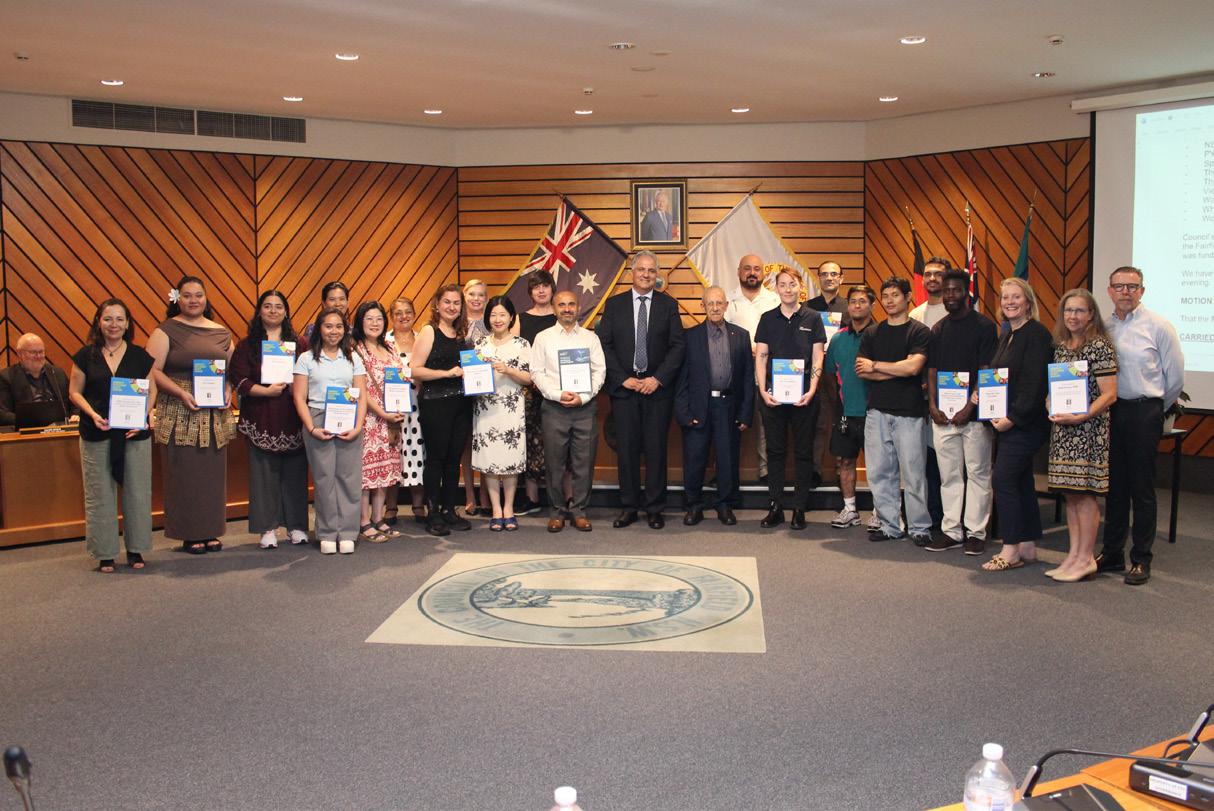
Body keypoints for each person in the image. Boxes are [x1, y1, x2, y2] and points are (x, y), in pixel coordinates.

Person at [1096, 266, 1184, 585]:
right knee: (1115, 487)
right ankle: (1112, 553)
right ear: (1110, 291)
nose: (1126, 292)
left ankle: (1141, 558)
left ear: (1142, 291)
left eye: (1132, 287)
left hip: (1145, 411)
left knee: (1141, 488)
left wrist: (1154, 408)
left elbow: (1175, 378)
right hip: (1112, 411)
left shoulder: (1158, 326)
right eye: (1119, 286)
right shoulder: (1103, 328)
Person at [597, 250, 686, 529]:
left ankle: (655, 508)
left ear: (656, 275)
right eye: (641, 270)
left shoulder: (668, 305)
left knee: (657, 450)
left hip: (656, 391)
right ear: (632, 273)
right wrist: (621, 378)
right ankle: (629, 507)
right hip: (625, 390)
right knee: (627, 450)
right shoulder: (614, 305)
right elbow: (604, 345)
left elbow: (678, 346)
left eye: (651, 270)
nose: (646, 274)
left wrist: (657, 378)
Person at [148, 276, 235, 554]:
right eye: (187, 295)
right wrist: (180, 392)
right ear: (177, 299)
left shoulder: (221, 332)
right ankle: (189, 533)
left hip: (213, 412)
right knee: (184, 472)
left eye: (198, 295)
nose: (193, 300)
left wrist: (228, 391)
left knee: (211, 474)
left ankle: (211, 530)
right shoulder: (165, 330)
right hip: (180, 408)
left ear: (206, 299)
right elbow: (153, 371)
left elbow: (233, 370)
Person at [67, 299, 156, 572]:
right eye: (107, 319)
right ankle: (105, 552)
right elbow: (74, 392)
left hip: (132, 434)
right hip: (97, 432)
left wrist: (144, 417)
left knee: (138, 492)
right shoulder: (85, 356)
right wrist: (92, 414)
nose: (113, 324)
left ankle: (136, 549)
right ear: (98, 322)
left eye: (119, 319)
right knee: (99, 494)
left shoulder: (140, 356)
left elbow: (152, 390)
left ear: (128, 324)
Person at [1046, 289, 1118, 582]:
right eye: (1068, 310)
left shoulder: (1100, 345)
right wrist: (1050, 404)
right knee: (1071, 495)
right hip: (1064, 431)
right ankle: (1074, 556)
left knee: (1086, 496)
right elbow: (1055, 388)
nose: (1073, 316)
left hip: (1088, 431)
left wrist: (1082, 415)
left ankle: (1086, 558)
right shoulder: (1062, 347)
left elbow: (1110, 394)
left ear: (1091, 315)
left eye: (1079, 310)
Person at [982, 277, 1053, 571]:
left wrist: (1011, 419)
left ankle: (1010, 549)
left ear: (1028, 302)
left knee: (1003, 480)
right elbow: (1000, 377)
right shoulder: (1008, 334)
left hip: (1025, 423)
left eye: (1016, 297)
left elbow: (1035, 384)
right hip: (1007, 420)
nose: (1009, 302)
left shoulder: (1037, 334)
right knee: (1022, 480)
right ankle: (1027, 545)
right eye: (1005, 297)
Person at [924, 269, 998, 554]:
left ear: (967, 292)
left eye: (955, 290)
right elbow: (932, 370)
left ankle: (976, 532)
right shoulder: (938, 329)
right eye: (946, 291)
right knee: (949, 476)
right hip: (943, 416)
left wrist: (970, 406)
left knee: (978, 473)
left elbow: (986, 370)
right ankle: (951, 530)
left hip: (973, 417)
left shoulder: (983, 326)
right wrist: (932, 405)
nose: (950, 295)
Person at [228, 290, 309, 549]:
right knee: (263, 475)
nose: (273, 311)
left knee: (296, 474)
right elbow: (239, 379)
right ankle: (268, 528)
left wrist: (297, 388)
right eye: (267, 306)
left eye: (278, 306)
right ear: (259, 311)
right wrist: (265, 391)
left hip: (293, 415)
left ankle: (296, 526)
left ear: (286, 312)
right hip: (261, 414)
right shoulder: (247, 346)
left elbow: (310, 375)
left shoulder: (300, 344)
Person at [856, 277, 932, 544]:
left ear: (908, 297)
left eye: (895, 295)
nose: (889, 300)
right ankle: (890, 526)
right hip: (877, 411)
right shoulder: (872, 333)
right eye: (885, 295)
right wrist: (898, 369)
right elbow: (863, 371)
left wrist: (877, 366)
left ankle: (920, 527)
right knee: (879, 473)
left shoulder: (919, 332)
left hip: (909, 412)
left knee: (913, 474)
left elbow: (914, 368)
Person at [754, 267, 827, 529]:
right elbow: (761, 356)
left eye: (792, 284)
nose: (787, 289)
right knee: (775, 452)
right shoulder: (767, 318)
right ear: (776, 288)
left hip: (804, 397)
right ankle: (775, 506)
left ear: (800, 287)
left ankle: (799, 508)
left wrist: (812, 389)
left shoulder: (813, 317)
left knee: (803, 452)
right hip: (773, 397)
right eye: (782, 284)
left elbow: (818, 356)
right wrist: (762, 390)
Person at [675, 286, 754, 526]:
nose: (715, 308)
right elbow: (681, 379)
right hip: (699, 406)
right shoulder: (690, 337)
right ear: (703, 306)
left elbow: (747, 378)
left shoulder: (741, 335)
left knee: (727, 457)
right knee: (694, 457)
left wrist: (745, 413)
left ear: (726, 305)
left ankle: (724, 504)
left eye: (719, 303)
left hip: (728, 405)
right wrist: (684, 413)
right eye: (710, 303)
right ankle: (693, 505)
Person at [531, 290, 606, 532]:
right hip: (554, 408)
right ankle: (556, 512)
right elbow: (537, 372)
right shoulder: (543, 338)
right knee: (555, 464)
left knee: (584, 462)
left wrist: (583, 397)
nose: (567, 308)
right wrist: (557, 394)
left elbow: (599, 371)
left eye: (571, 304)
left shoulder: (590, 338)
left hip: (584, 408)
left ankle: (579, 511)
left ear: (578, 307)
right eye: (561, 304)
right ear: (554, 308)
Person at [293, 308, 367, 554]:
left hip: (349, 419)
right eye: (328, 326)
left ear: (345, 330)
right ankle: (326, 532)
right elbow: (299, 397)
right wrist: (311, 427)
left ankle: (347, 532)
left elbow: (362, 395)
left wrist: (358, 426)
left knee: (348, 478)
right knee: (324, 478)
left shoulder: (353, 358)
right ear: (319, 329)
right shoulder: (306, 359)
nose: (333, 331)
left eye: (338, 326)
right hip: (318, 418)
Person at [411, 284, 474, 537]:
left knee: (453, 459)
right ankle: (433, 512)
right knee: (436, 459)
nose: (451, 307)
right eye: (447, 302)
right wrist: (446, 374)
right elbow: (415, 369)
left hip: (461, 404)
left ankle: (449, 509)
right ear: (437, 305)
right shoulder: (429, 331)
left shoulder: (461, 334)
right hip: (436, 402)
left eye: (456, 303)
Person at [472, 296, 533, 531]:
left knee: (510, 459)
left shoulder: (521, 344)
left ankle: (509, 508)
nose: (497, 319)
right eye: (493, 315)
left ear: (511, 317)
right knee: (489, 460)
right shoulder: (480, 345)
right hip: (485, 408)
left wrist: (508, 370)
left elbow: (528, 378)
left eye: (502, 315)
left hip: (511, 407)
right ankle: (496, 509)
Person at [822, 285, 876, 529]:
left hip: (874, 413)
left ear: (871, 305)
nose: (857, 305)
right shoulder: (838, 338)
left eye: (862, 301)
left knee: (878, 465)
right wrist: (839, 407)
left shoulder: (880, 335)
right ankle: (850, 509)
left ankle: (880, 512)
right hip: (845, 413)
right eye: (853, 301)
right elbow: (829, 375)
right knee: (845, 461)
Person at [353, 300, 404, 542]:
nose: (375, 323)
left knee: (385, 470)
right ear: (360, 322)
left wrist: (398, 408)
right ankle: (364, 521)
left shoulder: (390, 346)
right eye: (369, 319)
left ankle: (378, 517)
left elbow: (401, 378)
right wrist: (382, 412)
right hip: (369, 419)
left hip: (392, 420)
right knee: (367, 473)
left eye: (379, 319)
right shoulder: (356, 350)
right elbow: (361, 389)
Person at [725, 254, 780, 483]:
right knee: (729, 423)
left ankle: (766, 470)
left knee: (767, 424)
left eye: (757, 269)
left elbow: (782, 334)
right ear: (739, 271)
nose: (752, 273)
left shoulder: (774, 300)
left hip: (768, 373)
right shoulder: (728, 299)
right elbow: (720, 334)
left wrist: (765, 350)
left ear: (763, 273)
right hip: (735, 373)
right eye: (747, 268)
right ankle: (725, 473)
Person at [513, 270, 558, 516]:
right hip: (529, 390)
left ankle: (562, 497)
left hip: (557, 391)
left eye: (545, 286)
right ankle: (531, 498)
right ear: (530, 292)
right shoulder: (520, 319)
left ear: (552, 289)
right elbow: (514, 354)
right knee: (531, 442)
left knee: (559, 444)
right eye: (536, 287)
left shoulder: (562, 316)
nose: (541, 290)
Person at [910, 257, 951, 533]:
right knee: (926, 459)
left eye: (938, 274)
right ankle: (932, 515)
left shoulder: (957, 311)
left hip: (952, 398)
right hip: (921, 398)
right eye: (928, 274)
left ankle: (950, 518)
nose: (933, 278)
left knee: (948, 461)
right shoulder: (916, 314)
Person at [384, 297, 426, 525]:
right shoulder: (384, 341)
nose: (403, 316)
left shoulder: (422, 339)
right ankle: (391, 506)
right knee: (394, 455)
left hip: (419, 407)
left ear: (414, 314)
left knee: (418, 454)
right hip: (392, 409)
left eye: (408, 311)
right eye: (398, 313)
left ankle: (418, 505)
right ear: (391, 316)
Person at [808, 260, 849, 487]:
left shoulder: (850, 306)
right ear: (819, 278)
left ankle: (842, 470)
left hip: (843, 374)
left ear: (841, 278)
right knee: (818, 423)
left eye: (834, 274)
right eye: (824, 274)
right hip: (816, 373)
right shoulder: (807, 308)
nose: (829, 278)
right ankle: (814, 470)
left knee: (842, 422)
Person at [460, 278, 491, 517]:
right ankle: (470, 493)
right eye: (472, 294)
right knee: (467, 443)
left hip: (488, 390)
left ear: (486, 298)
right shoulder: (457, 323)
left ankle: (486, 495)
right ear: (464, 296)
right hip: (461, 389)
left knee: (486, 441)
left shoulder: (492, 322)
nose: (476, 299)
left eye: (481, 295)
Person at [0, 333, 75, 425]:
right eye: (33, 352)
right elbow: (3, 414)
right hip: (27, 430)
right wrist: (32, 420)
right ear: (20, 354)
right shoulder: (6, 377)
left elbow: (73, 400)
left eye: (41, 352)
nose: (38, 356)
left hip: (60, 428)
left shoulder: (57, 373)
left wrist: (75, 415)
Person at [909, 258, 949, 328]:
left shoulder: (958, 312)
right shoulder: (914, 315)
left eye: (938, 274)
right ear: (922, 280)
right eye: (927, 275)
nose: (932, 278)